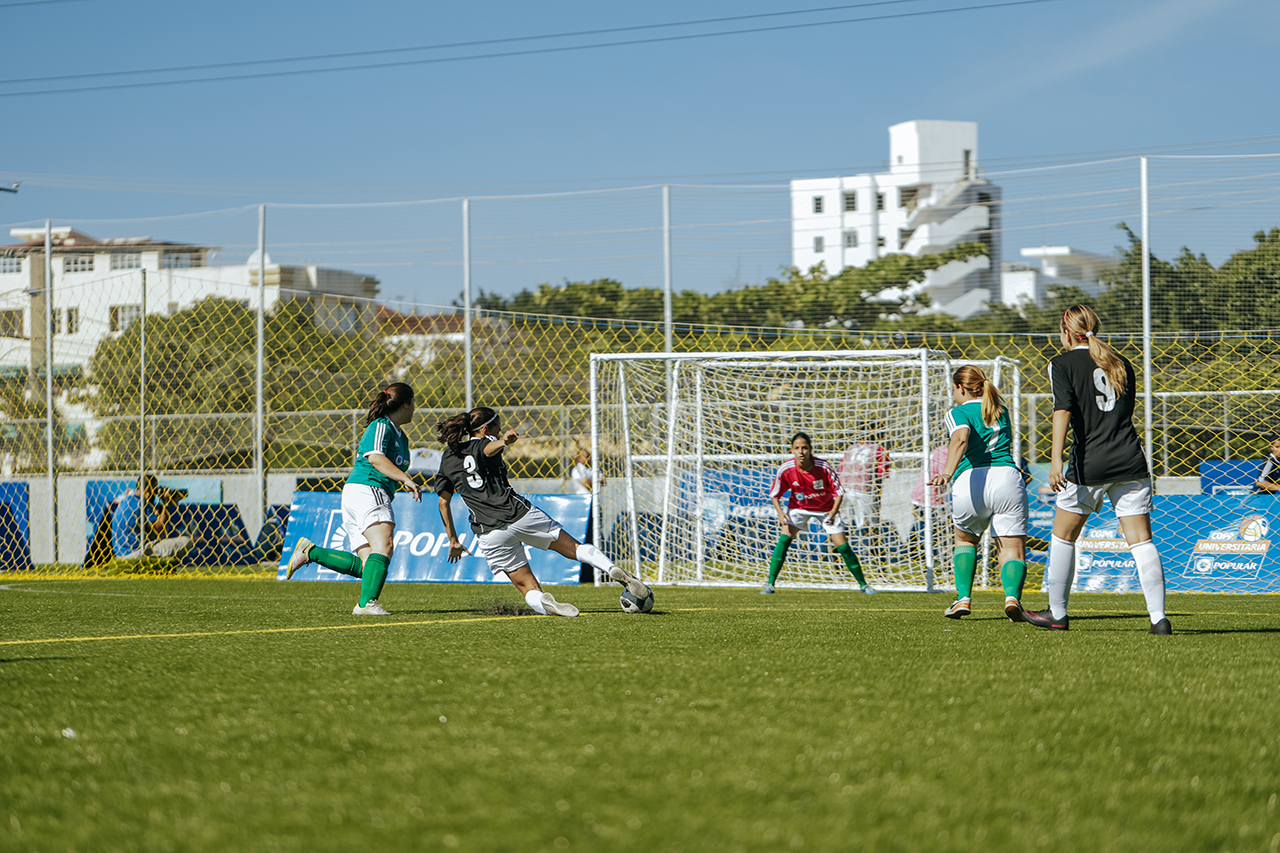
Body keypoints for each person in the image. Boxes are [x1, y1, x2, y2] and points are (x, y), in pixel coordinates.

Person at [1022, 306, 1170, 634]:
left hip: (1089, 462)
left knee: (1063, 536)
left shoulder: (1061, 363)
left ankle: (1057, 613)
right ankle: (1159, 619)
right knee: (1142, 542)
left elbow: (1063, 410)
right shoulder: (1121, 362)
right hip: (1130, 459)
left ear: (1066, 332)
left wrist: (1056, 459)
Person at [433, 407, 652, 616]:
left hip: (489, 531)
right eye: (497, 428)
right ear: (485, 429)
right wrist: (503, 441)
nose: (498, 432)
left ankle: (544, 601)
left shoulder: (449, 457)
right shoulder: (487, 443)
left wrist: (453, 540)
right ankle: (611, 568)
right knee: (575, 548)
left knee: (526, 586)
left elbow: (443, 503)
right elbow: (485, 450)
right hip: (518, 514)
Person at [286, 382, 421, 616]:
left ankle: (311, 552)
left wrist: (400, 479)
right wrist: (405, 479)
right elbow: (375, 458)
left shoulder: (401, 436)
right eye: (414, 402)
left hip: (363, 493)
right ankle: (366, 605)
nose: (415, 408)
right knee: (384, 545)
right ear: (406, 404)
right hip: (368, 489)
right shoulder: (381, 426)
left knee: (368, 564)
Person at [928, 366, 1029, 621]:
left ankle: (963, 598)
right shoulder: (1000, 409)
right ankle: (1012, 598)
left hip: (972, 480)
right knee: (1011, 546)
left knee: (965, 540)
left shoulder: (958, 412)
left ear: (960, 388)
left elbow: (960, 439)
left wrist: (947, 473)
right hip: (1007, 478)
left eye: (954, 389)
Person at [762, 431, 875, 595]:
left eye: (804, 448)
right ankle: (770, 584)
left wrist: (833, 511)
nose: (801, 452)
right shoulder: (786, 469)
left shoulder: (823, 467)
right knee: (784, 540)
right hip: (799, 508)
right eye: (797, 448)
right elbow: (775, 494)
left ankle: (863, 585)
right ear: (792, 450)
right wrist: (780, 513)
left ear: (810, 449)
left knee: (843, 547)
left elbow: (839, 492)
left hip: (826, 509)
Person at [110, 475, 193, 560]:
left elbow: (154, 519)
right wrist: (167, 504)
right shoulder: (142, 504)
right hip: (136, 553)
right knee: (186, 541)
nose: (155, 495)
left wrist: (163, 506)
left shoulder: (126, 501)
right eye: (155, 490)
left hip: (120, 554)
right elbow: (160, 530)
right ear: (148, 490)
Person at [838, 423, 892, 530]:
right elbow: (880, 475)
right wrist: (877, 500)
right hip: (863, 489)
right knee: (868, 525)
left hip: (843, 489)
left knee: (844, 524)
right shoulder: (879, 449)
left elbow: (840, 470)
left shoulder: (851, 448)